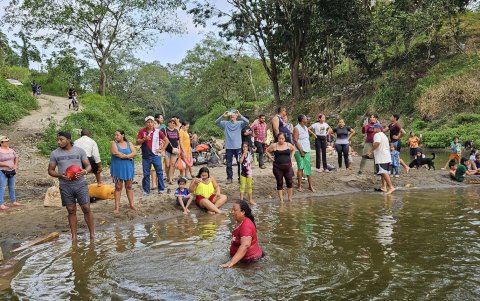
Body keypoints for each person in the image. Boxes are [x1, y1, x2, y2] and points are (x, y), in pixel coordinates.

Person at [47, 131, 94, 240]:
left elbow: (88, 166)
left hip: (80, 184)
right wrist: (60, 175)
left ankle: (92, 235)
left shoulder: (79, 151)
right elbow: (50, 170)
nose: (59, 142)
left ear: (69, 140)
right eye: (58, 140)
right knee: (71, 209)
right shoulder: (55, 153)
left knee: (86, 208)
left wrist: (84, 172)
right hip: (65, 185)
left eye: (61, 139)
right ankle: (74, 236)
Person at [221, 200, 263, 268]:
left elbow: (245, 245)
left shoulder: (246, 225)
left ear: (243, 212)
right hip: (242, 260)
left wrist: (231, 262)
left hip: (250, 262)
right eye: (232, 210)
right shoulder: (239, 221)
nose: (232, 212)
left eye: (235, 210)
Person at [136, 116, 168, 195]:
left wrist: (162, 149)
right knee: (146, 174)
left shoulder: (158, 131)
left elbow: (166, 140)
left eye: (151, 122)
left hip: (156, 155)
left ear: (154, 123)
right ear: (145, 123)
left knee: (159, 172)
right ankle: (146, 190)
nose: (150, 124)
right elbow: (137, 142)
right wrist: (144, 139)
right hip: (145, 156)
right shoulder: (141, 131)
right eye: (148, 122)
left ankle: (161, 189)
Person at [215, 110, 249, 184]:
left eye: (233, 114)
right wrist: (223, 116)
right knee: (228, 164)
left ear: (236, 116)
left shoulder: (240, 123)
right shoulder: (226, 123)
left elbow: (247, 122)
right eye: (231, 115)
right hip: (229, 147)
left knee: (240, 163)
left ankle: (241, 178)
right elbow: (216, 122)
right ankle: (229, 178)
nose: (232, 116)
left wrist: (240, 115)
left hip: (238, 147)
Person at [110, 130, 137, 214]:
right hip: (117, 168)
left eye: (117, 135)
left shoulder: (129, 143)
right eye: (115, 135)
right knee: (118, 187)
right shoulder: (113, 144)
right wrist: (129, 157)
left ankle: (132, 205)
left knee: (129, 186)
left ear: (122, 135)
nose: (116, 137)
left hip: (128, 168)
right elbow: (115, 153)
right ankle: (117, 207)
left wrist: (126, 156)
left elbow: (134, 153)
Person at [266, 133, 295, 202]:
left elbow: (293, 149)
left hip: (288, 167)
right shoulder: (274, 145)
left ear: (285, 139)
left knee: (290, 182)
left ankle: (290, 198)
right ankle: (281, 200)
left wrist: (291, 157)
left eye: (282, 139)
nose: (281, 140)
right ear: (277, 139)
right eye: (279, 139)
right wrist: (271, 158)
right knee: (279, 182)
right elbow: (267, 150)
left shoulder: (288, 144)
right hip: (277, 167)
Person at [366, 124, 395, 194]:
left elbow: (377, 143)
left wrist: (370, 151)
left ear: (378, 128)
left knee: (383, 172)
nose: (373, 129)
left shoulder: (377, 135)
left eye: (374, 128)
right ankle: (384, 187)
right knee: (383, 172)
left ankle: (391, 187)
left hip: (381, 156)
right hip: (386, 156)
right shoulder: (383, 135)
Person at [293, 115, 316, 192]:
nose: (307, 119)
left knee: (308, 167)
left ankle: (310, 186)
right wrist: (301, 151)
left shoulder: (306, 128)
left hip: (307, 150)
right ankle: (299, 186)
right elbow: (295, 140)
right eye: (306, 118)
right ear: (302, 119)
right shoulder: (296, 128)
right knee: (301, 167)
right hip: (299, 151)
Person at [0, 135, 21, 210]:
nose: (7, 142)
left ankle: (14, 201)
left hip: (11, 170)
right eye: (6, 141)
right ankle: (1, 204)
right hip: (2, 171)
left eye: (8, 141)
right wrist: (6, 164)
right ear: (1, 143)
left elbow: (16, 157)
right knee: (2, 187)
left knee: (12, 186)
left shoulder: (11, 150)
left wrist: (15, 165)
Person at [162, 118, 181, 185]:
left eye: (174, 123)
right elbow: (161, 139)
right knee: (167, 165)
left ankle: (170, 179)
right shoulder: (164, 130)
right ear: (168, 123)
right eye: (171, 122)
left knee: (172, 165)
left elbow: (178, 140)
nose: (172, 124)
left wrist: (179, 148)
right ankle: (167, 176)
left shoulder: (176, 130)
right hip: (167, 149)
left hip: (175, 150)